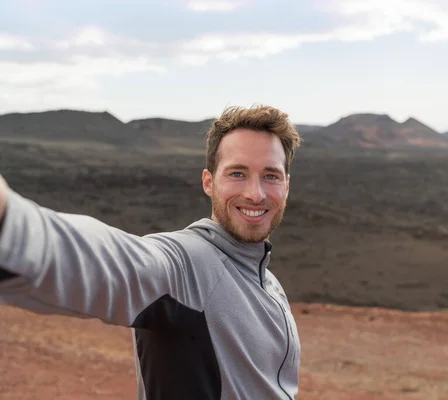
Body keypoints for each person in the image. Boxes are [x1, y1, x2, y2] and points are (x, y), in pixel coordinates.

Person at [0, 104, 303, 400]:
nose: (256, 193)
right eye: (237, 173)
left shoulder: (270, 283)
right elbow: (103, 260)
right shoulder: (187, 266)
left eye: (271, 175)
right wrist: (8, 222)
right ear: (208, 182)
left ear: (286, 185)